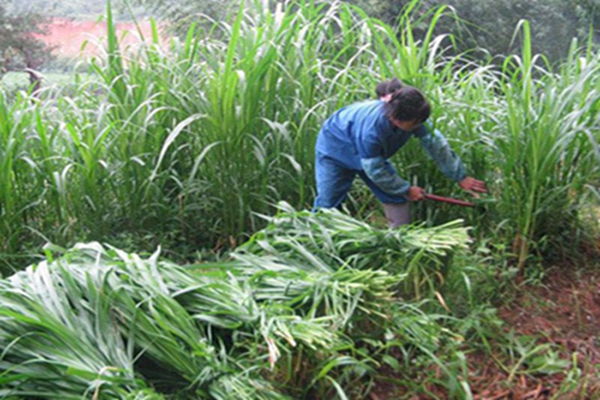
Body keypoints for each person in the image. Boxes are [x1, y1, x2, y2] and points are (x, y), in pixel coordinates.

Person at [313, 79, 486, 228]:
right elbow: (375, 170)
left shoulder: (413, 116)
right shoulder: (372, 132)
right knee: (329, 202)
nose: (417, 127)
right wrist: (406, 189)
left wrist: (460, 176)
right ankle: (317, 238)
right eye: (414, 124)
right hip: (335, 148)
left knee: (395, 195)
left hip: (368, 153)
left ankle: (399, 239)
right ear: (396, 119)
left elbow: (436, 144)